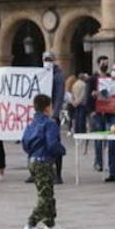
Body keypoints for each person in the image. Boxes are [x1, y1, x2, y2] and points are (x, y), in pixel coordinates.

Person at [21, 93, 66, 229]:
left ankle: (50, 224)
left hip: (33, 160)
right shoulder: (50, 123)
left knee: (47, 193)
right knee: (45, 197)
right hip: (44, 161)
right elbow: (52, 143)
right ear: (48, 107)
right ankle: (31, 224)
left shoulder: (31, 123)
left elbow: (25, 142)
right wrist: (61, 150)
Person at [44, 51, 67, 184]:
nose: (47, 61)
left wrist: (55, 114)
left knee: (54, 144)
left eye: (49, 59)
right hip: (41, 114)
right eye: (45, 59)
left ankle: (58, 174)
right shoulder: (41, 73)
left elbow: (59, 97)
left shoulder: (58, 76)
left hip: (52, 115)